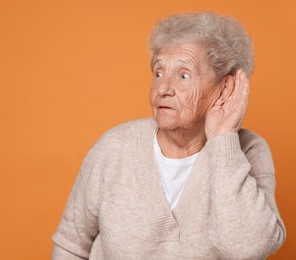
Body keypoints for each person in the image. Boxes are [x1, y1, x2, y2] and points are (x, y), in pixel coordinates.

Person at [52, 12, 286, 259]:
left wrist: (224, 138)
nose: (163, 89)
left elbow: (247, 248)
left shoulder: (249, 150)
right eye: (158, 73)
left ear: (225, 88)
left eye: (184, 75)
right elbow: (70, 246)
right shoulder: (114, 148)